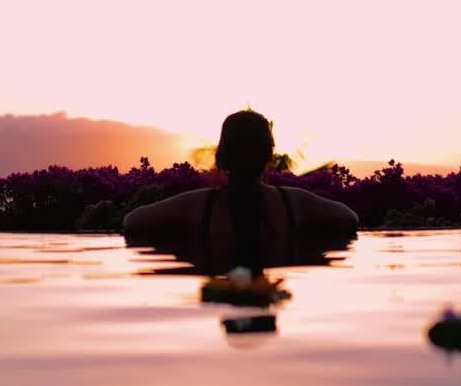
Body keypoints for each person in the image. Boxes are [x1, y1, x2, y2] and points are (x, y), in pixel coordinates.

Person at [122, 110, 358, 271]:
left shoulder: (198, 205)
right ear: (268, 156)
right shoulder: (292, 202)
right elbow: (350, 219)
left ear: (221, 156)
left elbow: (132, 221)